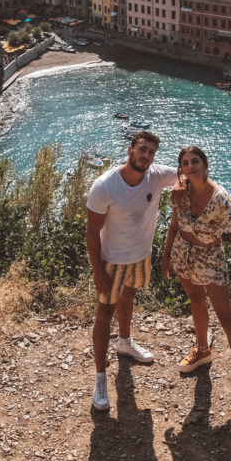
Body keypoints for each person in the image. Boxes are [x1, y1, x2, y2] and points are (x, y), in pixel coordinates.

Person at [161, 145, 231, 416]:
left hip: (210, 257)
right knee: (195, 300)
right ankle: (203, 350)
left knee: (226, 317)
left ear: (205, 164)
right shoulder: (180, 191)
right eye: (184, 163)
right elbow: (174, 224)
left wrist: (217, 236)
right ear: (181, 168)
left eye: (195, 161)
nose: (190, 166)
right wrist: (166, 255)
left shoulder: (219, 198)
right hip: (182, 252)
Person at [86, 131, 178, 411]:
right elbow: (91, 232)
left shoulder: (157, 175)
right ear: (130, 150)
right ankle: (100, 378)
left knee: (129, 297)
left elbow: (189, 174)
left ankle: (125, 343)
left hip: (141, 257)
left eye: (151, 152)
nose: (146, 156)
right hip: (112, 261)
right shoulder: (105, 186)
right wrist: (97, 271)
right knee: (104, 314)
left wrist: (185, 190)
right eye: (142, 150)